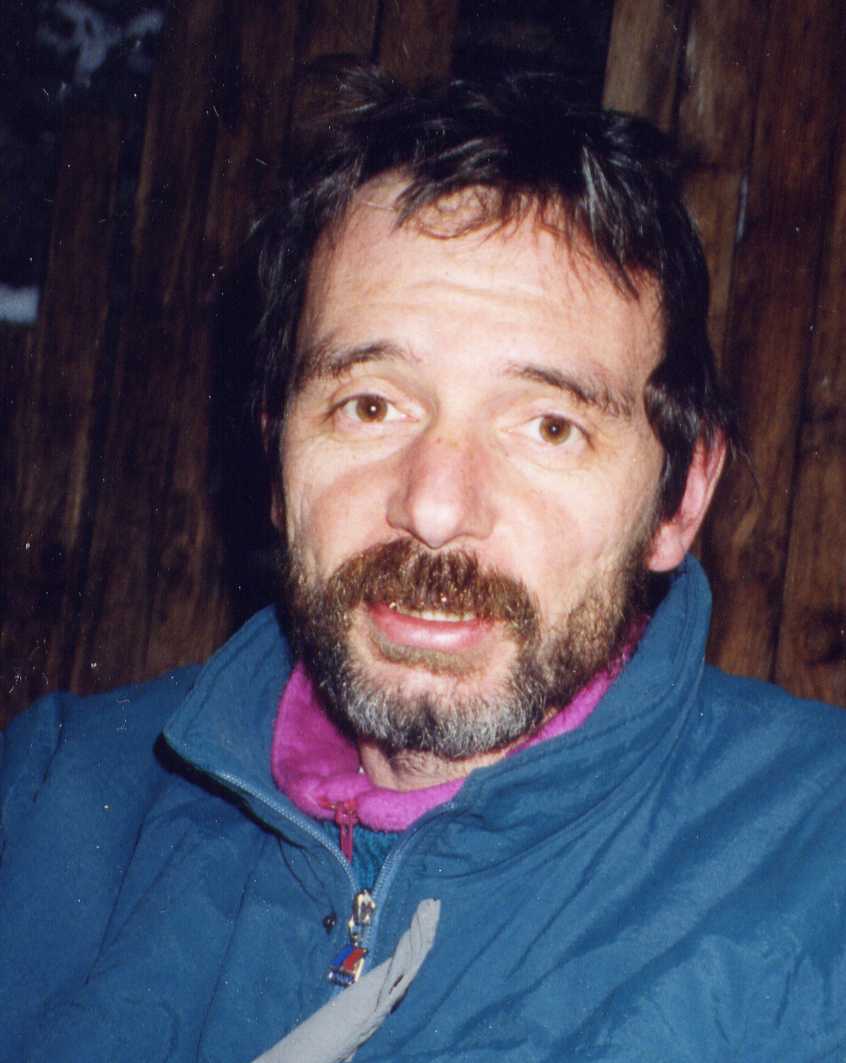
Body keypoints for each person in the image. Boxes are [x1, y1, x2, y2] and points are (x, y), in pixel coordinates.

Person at [2, 63, 845, 1063]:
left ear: (680, 499)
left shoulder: (822, 865)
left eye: (548, 425)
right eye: (371, 406)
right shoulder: (49, 799)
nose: (436, 508)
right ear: (277, 457)